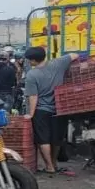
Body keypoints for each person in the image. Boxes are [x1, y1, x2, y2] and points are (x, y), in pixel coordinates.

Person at [22, 46, 83, 175]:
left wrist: (31, 114)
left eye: (29, 60)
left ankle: (49, 166)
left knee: (43, 139)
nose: (29, 62)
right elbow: (75, 55)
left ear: (33, 60)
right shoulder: (58, 63)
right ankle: (54, 162)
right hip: (59, 108)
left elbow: (33, 97)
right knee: (56, 138)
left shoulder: (32, 75)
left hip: (41, 110)